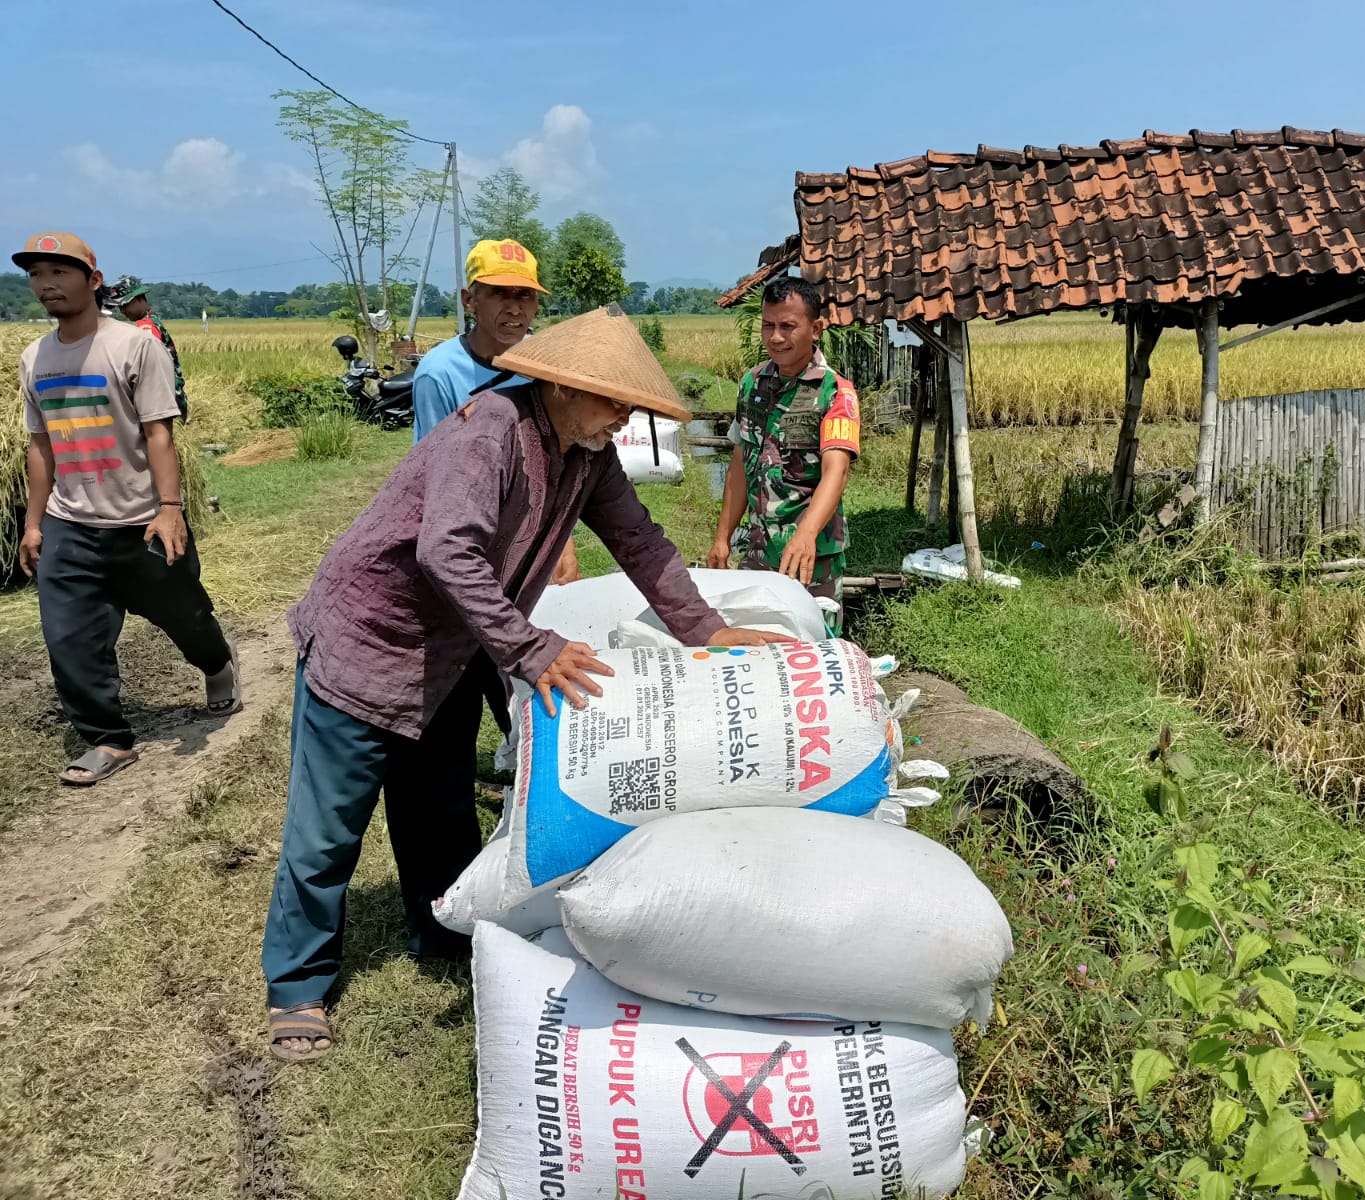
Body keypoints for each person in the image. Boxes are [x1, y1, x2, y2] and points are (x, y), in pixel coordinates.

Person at [262, 305, 792, 1062]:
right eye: (613, 401)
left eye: (631, 405)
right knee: (326, 831)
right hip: (371, 639)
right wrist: (529, 645)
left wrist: (705, 630)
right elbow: (448, 553)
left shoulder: (586, 452)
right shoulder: (491, 433)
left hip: (451, 648)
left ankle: (441, 931)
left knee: (440, 809)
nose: (624, 416)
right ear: (565, 388)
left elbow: (637, 539)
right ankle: (297, 986)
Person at [13, 232, 241, 787]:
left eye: (60, 272)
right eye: (37, 274)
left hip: (140, 520)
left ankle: (217, 665)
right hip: (71, 521)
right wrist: (34, 523)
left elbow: (157, 433)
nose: (47, 284)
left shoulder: (135, 346)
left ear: (93, 281)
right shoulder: (34, 357)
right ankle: (108, 739)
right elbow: (39, 446)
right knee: (68, 638)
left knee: (185, 615)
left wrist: (169, 509)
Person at [412, 237, 579, 586]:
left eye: (525, 295)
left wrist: (562, 544)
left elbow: (555, 463)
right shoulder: (439, 373)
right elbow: (434, 475)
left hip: (534, 525)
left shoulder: (545, 366)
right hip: (467, 528)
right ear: (469, 300)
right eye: (499, 293)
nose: (515, 308)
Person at [707, 276, 859, 624]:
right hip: (759, 550)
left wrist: (805, 535)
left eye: (788, 326)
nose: (776, 337)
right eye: (768, 325)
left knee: (815, 652)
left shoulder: (835, 392)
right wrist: (722, 537)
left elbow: (837, 471)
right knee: (755, 645)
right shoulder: (751, 384)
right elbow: (740, 463)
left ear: (816, 328)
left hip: (811, 556)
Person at [106, 277, 188, 423]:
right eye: (119, 307)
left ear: (138, 298)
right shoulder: (153, 321)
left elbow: (147, 368)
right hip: (172, 398)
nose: (122, 310)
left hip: (161, 403)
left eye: (125, 305)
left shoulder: (146, 328)